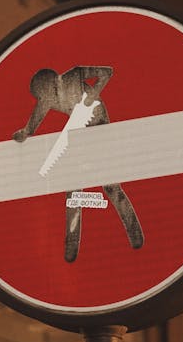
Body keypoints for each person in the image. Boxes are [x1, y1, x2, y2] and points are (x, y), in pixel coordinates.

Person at [13, 66, 144, 262]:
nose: (47, 101)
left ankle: (135, 235)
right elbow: (35, 119)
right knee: (74, 192)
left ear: (54, 82)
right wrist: (25, 133)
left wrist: (93, 95)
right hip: (80, 134)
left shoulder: (74, 75)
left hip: (99, 129)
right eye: (42, 98)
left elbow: (106, 72)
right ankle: (71, 247)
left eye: (45, 95)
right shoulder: (47, 99)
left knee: (110, 187)